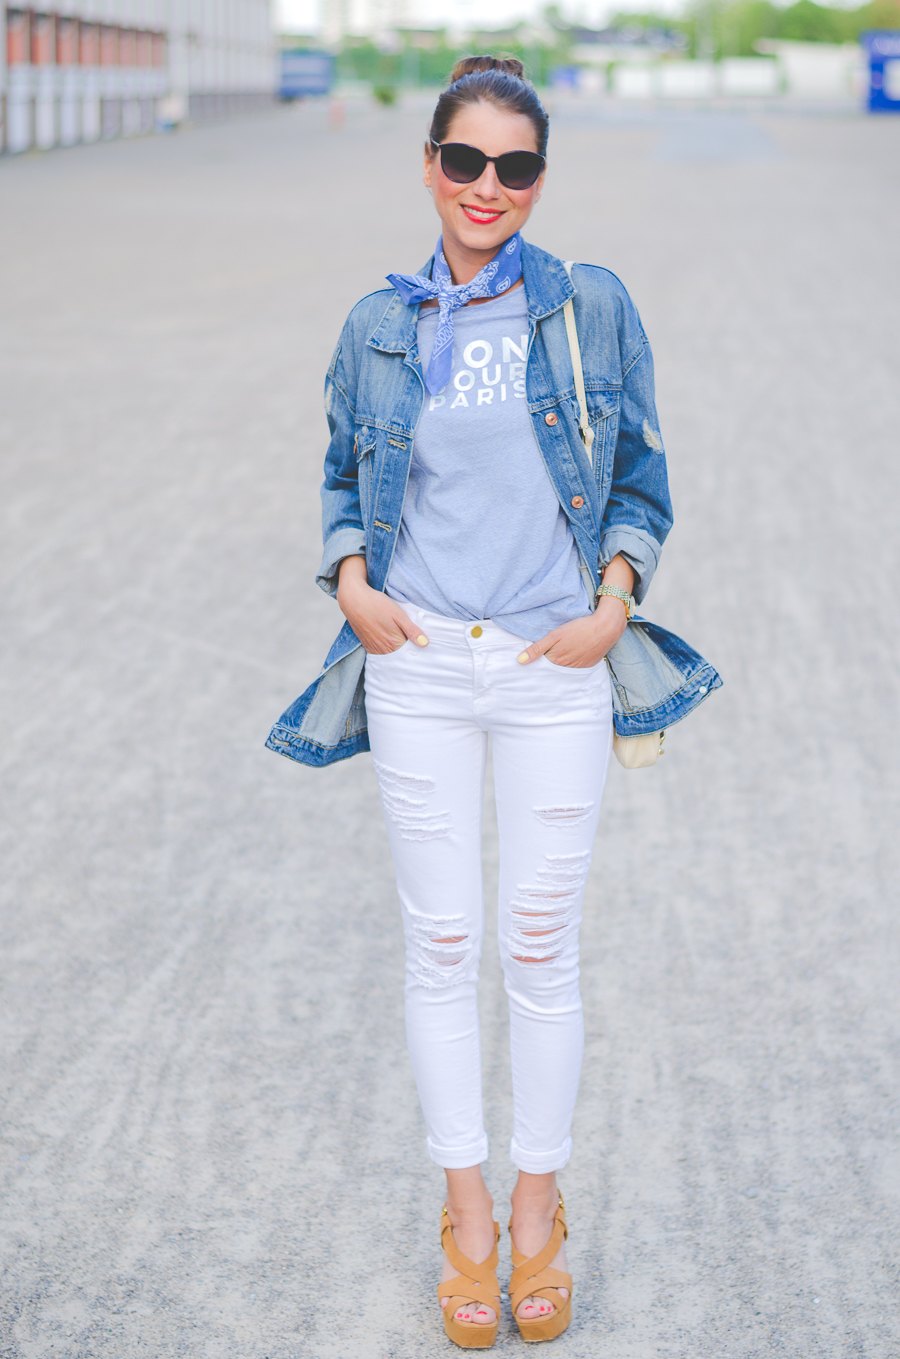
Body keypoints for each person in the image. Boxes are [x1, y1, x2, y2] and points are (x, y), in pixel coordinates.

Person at [265, 53, 722, 1348]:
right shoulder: (380, 323)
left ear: (538, 178)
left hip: (549, 668)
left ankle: (537, 1205)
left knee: (535, 943)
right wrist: (351, 578)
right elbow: (343, 471)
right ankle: (465, 1212)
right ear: (428, 165)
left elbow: (639, 474)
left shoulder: (586, 307)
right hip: (415, 661)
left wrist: (613, 606)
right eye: (463, 160)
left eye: (514, 166)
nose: (487, 186)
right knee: (443, 943)